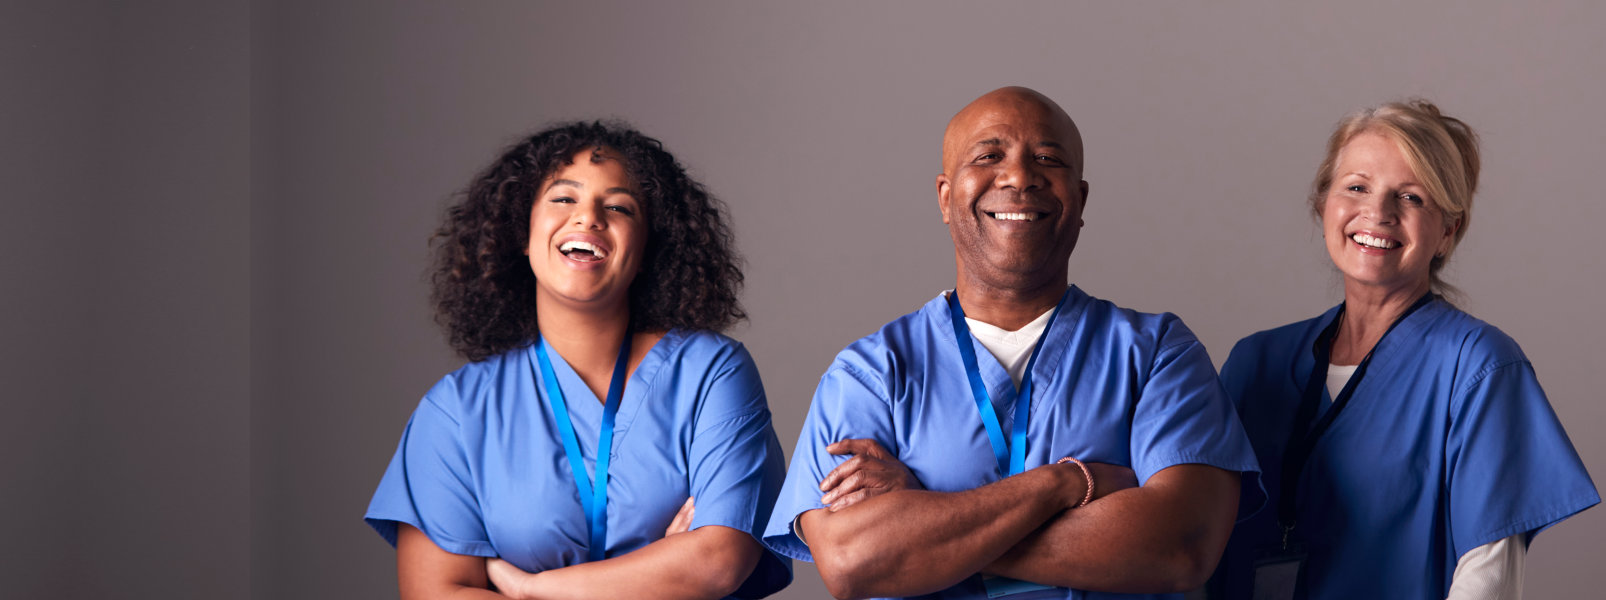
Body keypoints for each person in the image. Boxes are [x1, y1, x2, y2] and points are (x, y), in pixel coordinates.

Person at [762, 87, 1263, 600]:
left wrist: (925, 522)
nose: (1020, 176)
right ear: (944, 196)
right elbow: (853, 562)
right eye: (989, 156)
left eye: (1047, 159)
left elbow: (1180, 548)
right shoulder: (870, 373)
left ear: (1081, 200)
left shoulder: (1157, 353)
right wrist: (1067, 485)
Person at [365, 121, 791, 600]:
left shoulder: (712, 373)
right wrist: (660, 581)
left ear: (647, 249)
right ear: (522, 235)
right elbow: (436, 594)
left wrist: (530, 591)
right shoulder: (455, 412)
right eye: (563, 199)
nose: (588, 218)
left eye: (618, 207)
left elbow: (717, 561)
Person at [1207, 100, 1600, 600]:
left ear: (1447, 231)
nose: (1379, 212)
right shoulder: (1254, 363)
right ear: (1322, 203)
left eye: (1412, 198)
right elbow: (1196, 543)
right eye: (1356, 187)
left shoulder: (1478, 366)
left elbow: (1487, 579)